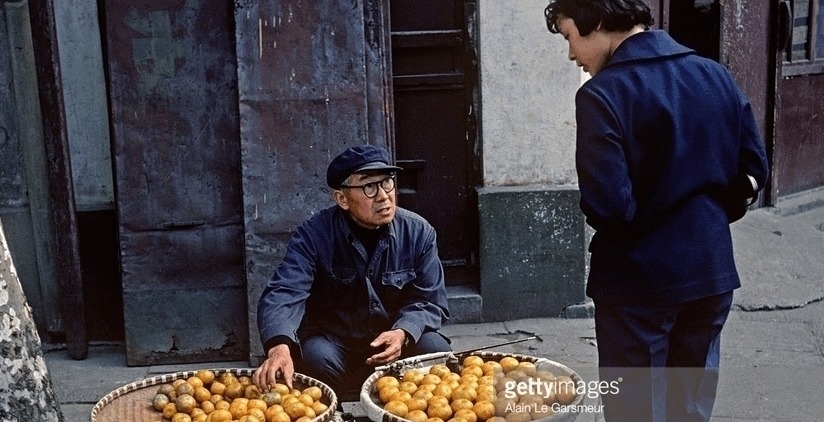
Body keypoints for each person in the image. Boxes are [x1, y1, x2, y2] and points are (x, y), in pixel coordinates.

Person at [543, 0, 769, 420]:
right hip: (710, 269)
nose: (571, 54)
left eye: (570, 38)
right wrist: (706, 215)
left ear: (596, 25)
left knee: (636, 412)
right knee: (690, 410)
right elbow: (755, 171)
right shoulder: (714, 74)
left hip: (637, 284)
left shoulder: (601, 94)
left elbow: (609, 206)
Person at [253, 144, 451, 395]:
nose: (383, 195)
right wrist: (278, 345)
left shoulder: (419, 232)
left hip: (394, 341)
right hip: (335, 343)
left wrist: (403, 332)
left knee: (434, 349)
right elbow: (284, 291)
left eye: (387, 182)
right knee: (316, 357)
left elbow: (430, 301)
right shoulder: (314, 235)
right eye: (369, 186)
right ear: (342, 199)